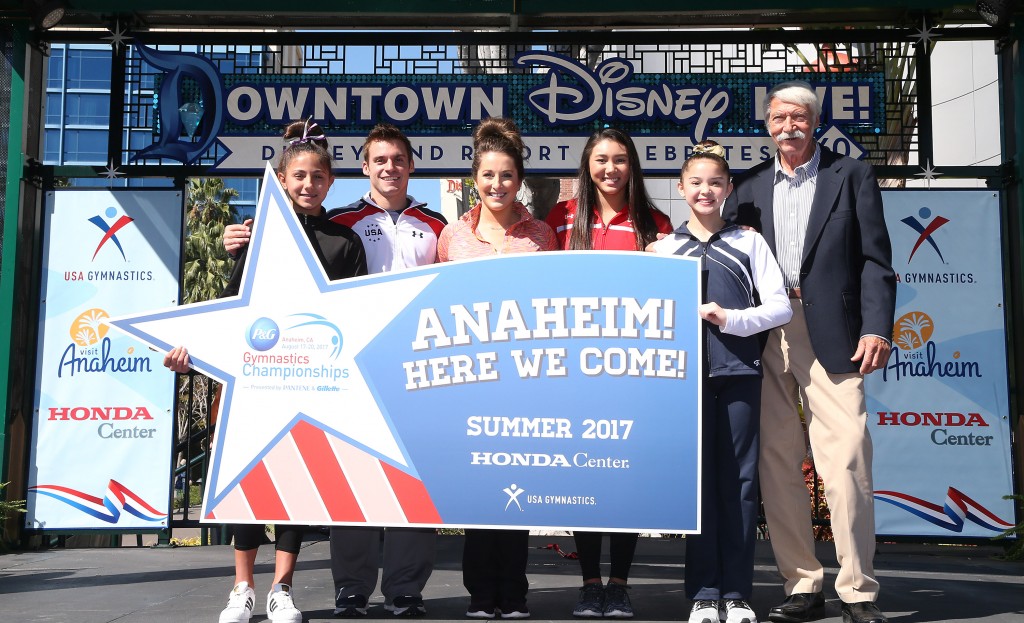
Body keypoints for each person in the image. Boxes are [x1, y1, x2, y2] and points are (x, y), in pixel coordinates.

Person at [224, 122, 447, 619]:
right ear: (364, 168)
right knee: (353, 482)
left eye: (398, 160)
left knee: (415, 483)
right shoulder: (343, 224)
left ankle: (406, 589)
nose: (389, 168)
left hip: (420, 367)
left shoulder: (439, 227)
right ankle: (351, 589)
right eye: (379, 160)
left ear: (412, 166)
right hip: (350, 368)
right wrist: (236, 239)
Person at [166, 119, 368, 623]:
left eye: (317, 177)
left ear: (331, 183)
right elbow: (229, 307)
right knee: (248, 486)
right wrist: (190, 345)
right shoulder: (254, 237)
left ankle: (282, 588)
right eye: (298, 176)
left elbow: (357, 316)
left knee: (294, 486)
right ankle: (241, 588)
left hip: (312, 385)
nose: (307, 185)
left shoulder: (345, 243)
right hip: (254, 384)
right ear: (281, 180)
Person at [722, 81, 897, 623]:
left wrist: (878, 328)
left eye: (798, 117)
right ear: (767, 125)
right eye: (778, 118)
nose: (787, 127)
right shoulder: (747, 189)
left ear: (815, 122)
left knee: (845, 458)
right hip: (767, 334)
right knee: (777, 461)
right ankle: (802, 584)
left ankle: (858, 590)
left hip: (838, 334)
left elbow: (875, 260)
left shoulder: (852, 175)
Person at [652, 141, 792, 623]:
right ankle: (703, 593)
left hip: (738, 375)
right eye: (696, 182)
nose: (705, 190)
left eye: (715, 182)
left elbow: (780, 307)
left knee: (740, 483)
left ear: (728, 189)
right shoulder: (664, 249)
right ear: (681, 189)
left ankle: (736, 593)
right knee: (699, 487)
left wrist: (728, 319)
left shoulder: (749, 241)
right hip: (681, 384)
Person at [544, 128, 673, 620]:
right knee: (584, 475)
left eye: (620, 160)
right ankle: (590, 582)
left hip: (632, 374)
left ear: (632, 166)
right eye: (601, 160)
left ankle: (619, 583)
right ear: (587, 165)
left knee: (625, 480)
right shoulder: (563, 217)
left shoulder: (654, 221)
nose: (610, 169)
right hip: (575, 372)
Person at [437, 117, 557, 620]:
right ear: (474, 178)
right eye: (488, 175)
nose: (497, 185)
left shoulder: (543, 236)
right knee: (479, 492)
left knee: (518, 493)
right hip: (471, 382)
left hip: (525, 384)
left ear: (520, 178)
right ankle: (481, 594)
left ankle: (514, 591)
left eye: (507, 175)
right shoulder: (451, 238)